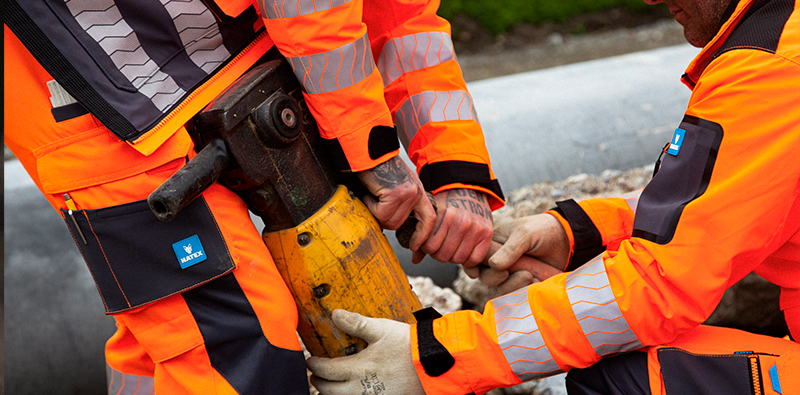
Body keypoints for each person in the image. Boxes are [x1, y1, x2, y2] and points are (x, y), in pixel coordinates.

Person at [4, 0, 503, 393]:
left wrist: (458, 172)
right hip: (103, 114)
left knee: (162, 346)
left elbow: (399, 14)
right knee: (240, 351)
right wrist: (371, 152)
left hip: (255, 59)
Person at [306, 0, 800, 393]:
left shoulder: (769, 70)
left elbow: (658, 289)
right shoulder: (782, 39)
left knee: (623, 378)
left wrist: (436, 357)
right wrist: (574, 233)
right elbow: (718, 204)